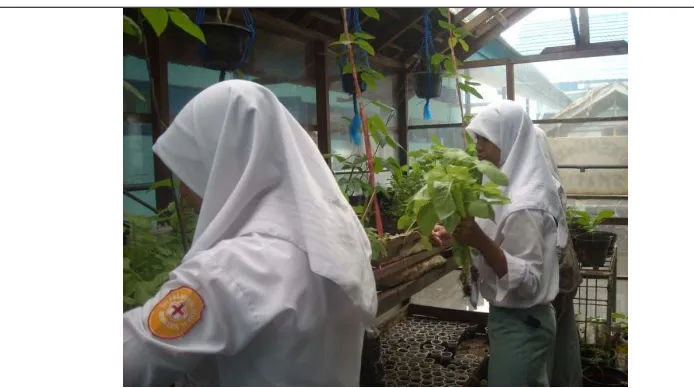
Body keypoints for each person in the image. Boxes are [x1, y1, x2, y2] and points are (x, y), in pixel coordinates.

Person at [123, 80, 378, 386]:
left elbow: (132, 358)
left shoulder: (241, 266)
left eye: (190, 172)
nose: (183, 193)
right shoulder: (334, 237)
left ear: (224, 164)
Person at [431, 100, 564, 386]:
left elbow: (529, 280)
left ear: (509, 137)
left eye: (485, 139)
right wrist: (456, 235)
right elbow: (496, 243)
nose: (477, 146)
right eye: (477, 138)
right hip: (514, 319)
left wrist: (478, 239)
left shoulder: (527, 204)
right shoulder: (506, 187)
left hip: (523, 323)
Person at [535, 126, 583, 386]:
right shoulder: (552, 183)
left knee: (547, 346)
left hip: (551, 280)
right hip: (564, 275)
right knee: (564, 338)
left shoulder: (537, 189)